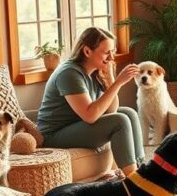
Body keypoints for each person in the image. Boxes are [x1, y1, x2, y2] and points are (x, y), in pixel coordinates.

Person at [37, 27, 145, 178]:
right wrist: (119, 83)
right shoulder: (69, 73)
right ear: (87, 51)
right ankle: (135, 180)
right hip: (53, 135)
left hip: (77, 125)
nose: (111, 57)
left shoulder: (94, 71)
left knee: (128, 113)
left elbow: (111, 110)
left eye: (112, 51)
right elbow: (90, 115)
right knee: (119, 121)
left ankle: (142, 169)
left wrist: (111, 78)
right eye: (107, 52)